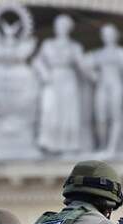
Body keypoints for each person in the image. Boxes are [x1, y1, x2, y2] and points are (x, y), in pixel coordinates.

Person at [33, 14, 87, 154]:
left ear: (68, 29)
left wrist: (94, 74)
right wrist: (45, 73)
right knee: (50, 109)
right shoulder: (48, 44)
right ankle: (50, 143)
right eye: (58, 25)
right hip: (52, 78)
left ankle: (68, 144)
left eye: (63, 26)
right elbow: (37, 61)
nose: (60, 28)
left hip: (68, 79)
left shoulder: (75, 46)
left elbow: (83, 65)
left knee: (68, 111)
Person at [86, 24, 123, 155]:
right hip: (102, 86)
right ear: (102, 37)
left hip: (116, 85)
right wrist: (92, 74)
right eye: (106, 34)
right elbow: (85, 65)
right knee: (101, 118)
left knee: (116, 117)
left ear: (116, 36)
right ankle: (102, 145)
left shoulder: (121, 52)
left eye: (111, 34)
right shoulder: (98, 53)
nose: (108, 37)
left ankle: (112, 148)